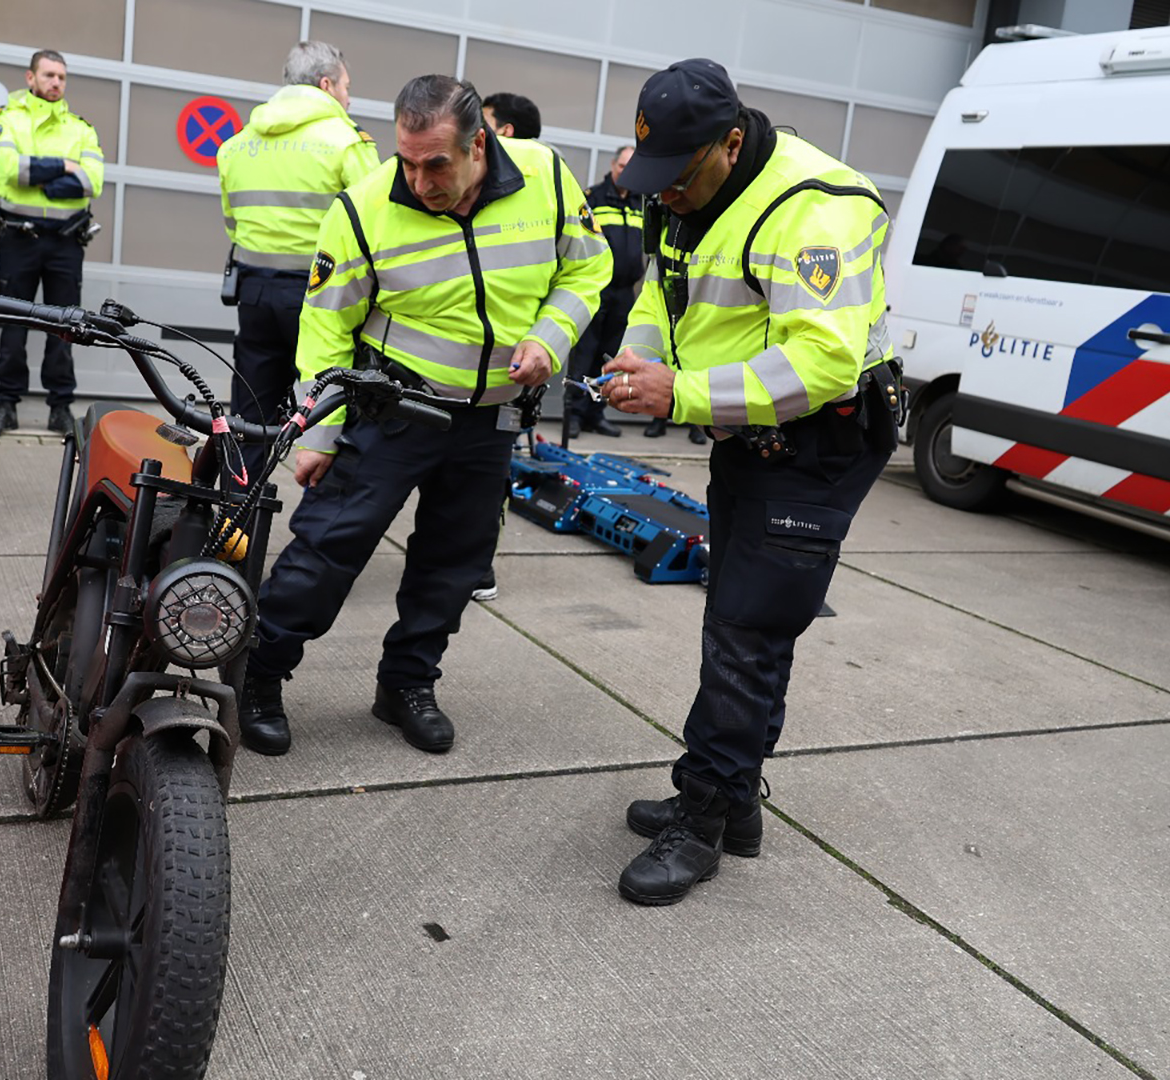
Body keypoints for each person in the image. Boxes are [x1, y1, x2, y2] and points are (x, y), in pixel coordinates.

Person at [237, 75, 609, 757]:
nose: (418, 179)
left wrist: (550, 339)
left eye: (435, 163)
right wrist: (318, 432)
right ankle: (257, 676)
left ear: (480, 143)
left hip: (489, 419)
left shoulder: (546, 177)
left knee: (454, 564)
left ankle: (406, 683)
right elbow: (325, 327)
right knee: (324, 553)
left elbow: (585, 271)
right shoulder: (363, 207)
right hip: (392, 409)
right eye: (407, 161)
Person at [600, 59, 898, 906]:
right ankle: (731, 800)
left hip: (816, 442)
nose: (668, 198)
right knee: (741, 622)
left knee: (745, 631)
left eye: (680, 179)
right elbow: (663, 293)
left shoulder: (814, 212)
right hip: (750, 435)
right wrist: (643, 357)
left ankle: (704, 818)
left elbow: (824, 362)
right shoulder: (684, 191)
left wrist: (681, 392)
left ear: (732, 143)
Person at [216, 41, 379, 428]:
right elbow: (376, 230)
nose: (349, 99)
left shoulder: (237, 144)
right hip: (322, 297)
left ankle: (239, 489)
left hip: (253, 294)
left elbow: (233, 224)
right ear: (326, 85)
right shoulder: (347, 142)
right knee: (326, 414)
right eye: (346, 88)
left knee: (250, 417)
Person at [0, 50, 105, 438]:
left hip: (67, 243)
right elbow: (9, 170)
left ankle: (61, 407)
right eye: (49, 75)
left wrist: (40, 175)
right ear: (30, 77)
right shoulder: (6, 120)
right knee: (13, 322)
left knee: (66, 325)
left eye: (62, 77)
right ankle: (5, 405)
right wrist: (66, 167)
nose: (56, 83)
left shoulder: (81, 128)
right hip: (19, 239)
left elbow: (92, 183)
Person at [562, 145, 643, 442]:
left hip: (624, 293)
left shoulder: (640, 202)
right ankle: (573, 415)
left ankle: (596, 414)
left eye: (631, 167)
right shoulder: (593, 197)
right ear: (613, 165)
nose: (626, 172)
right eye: (622, 166)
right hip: (597, 290)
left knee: (609, 358)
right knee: (583, 355)